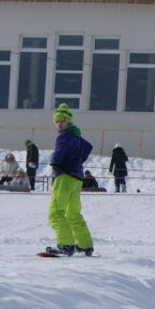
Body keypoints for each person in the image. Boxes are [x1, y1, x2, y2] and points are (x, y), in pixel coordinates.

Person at [46, 104, 95, 256]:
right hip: (77, 179)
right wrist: (77, 161)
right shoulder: (76, 135)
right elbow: (88, 147)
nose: (59, 124)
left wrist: (55, 163)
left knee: (55, 212)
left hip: (65, 177)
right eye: (57, 121)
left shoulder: (64, 136)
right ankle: (85, 245)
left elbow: (58, 156)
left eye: (62, 121)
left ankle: (66, 245)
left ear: (68, 121)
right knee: (73, 213)